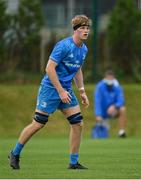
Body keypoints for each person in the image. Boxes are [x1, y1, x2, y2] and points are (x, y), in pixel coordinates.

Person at [8, 15, 92, 170]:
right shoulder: (64, 46)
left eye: (87, 28)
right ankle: (15, 153)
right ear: (75, 30)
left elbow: (77, 68)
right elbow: (49, 68)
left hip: (66, 90)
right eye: (82, 28)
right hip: (50, 89)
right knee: (38, 124)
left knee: (78, 123)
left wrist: (82, 91)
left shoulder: (84, 49)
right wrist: (60, 91)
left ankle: (73, 162)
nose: (86, 31)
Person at [92, 70, 126, 138]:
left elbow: (121, 100)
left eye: (111, 78)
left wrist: (115, 106)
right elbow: (97, 101)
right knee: (101, 131)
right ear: (105, 78)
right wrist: (98, 114)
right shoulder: (99, 86)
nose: (110, 80)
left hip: (113, 111)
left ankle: (121, 132)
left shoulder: (117, 86)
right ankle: (102, 126)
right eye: (108, 78)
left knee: (122, 109)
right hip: (103, 112)